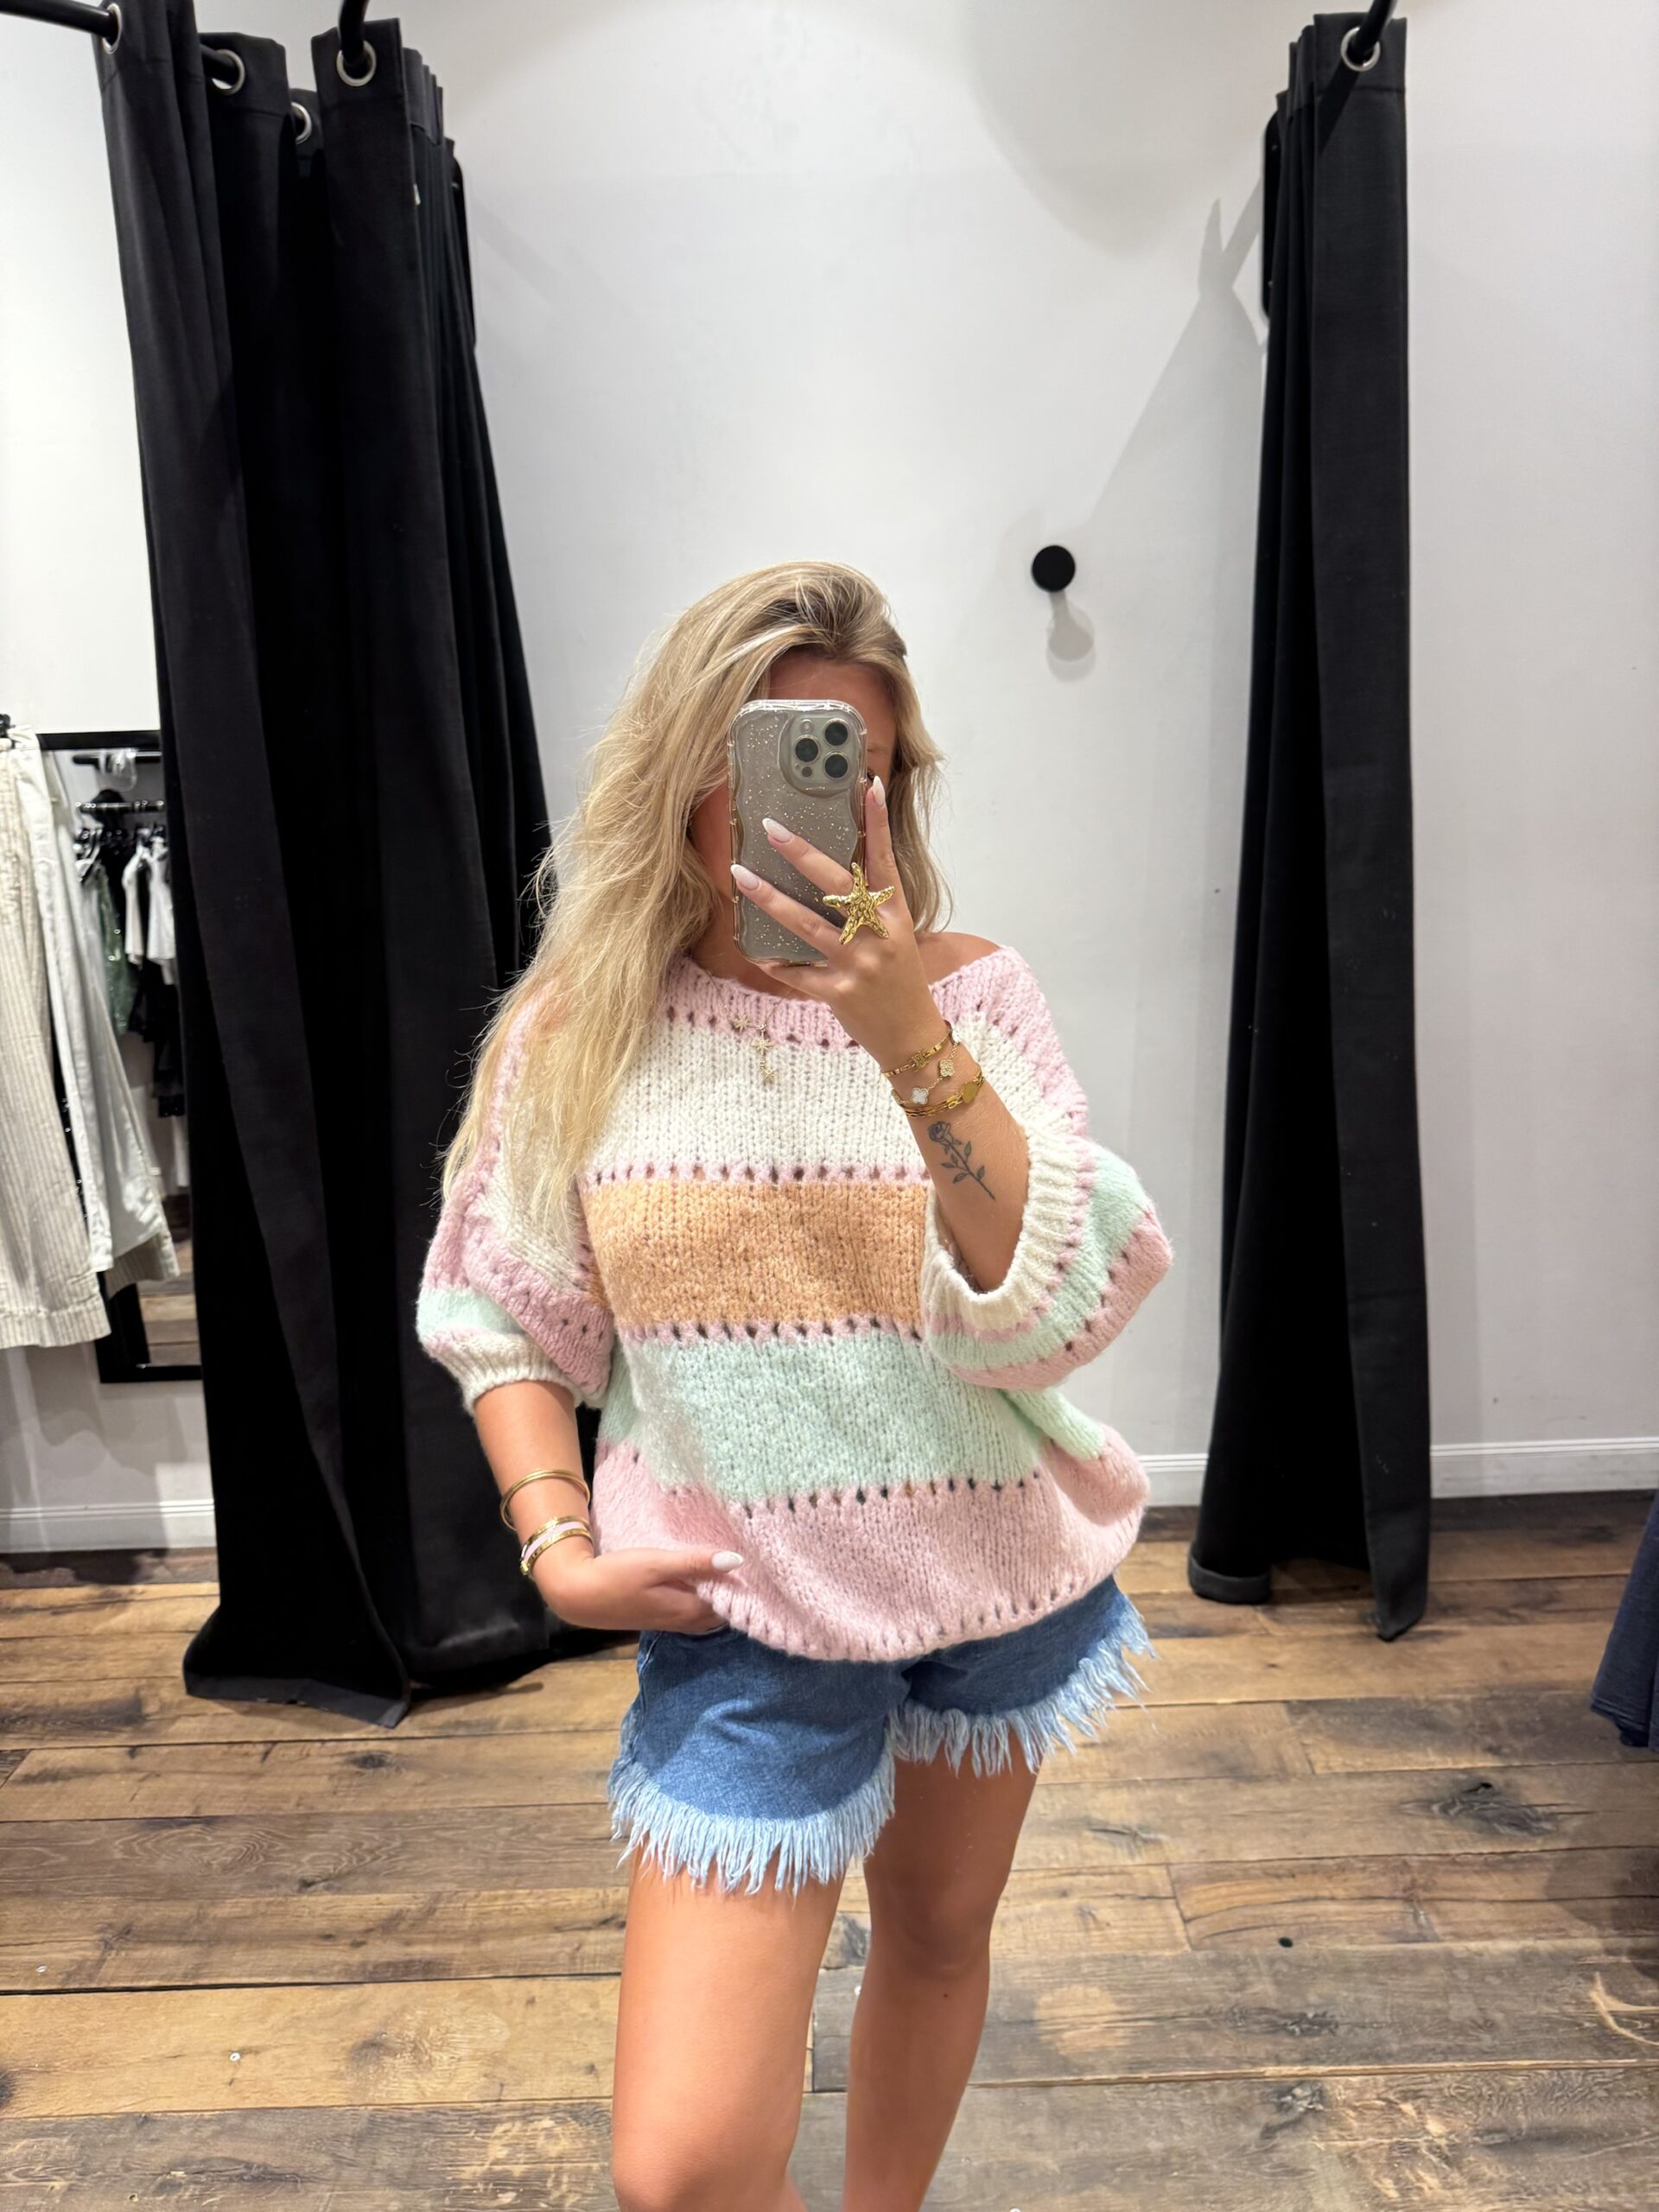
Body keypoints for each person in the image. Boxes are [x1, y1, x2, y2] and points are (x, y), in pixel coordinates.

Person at [416, 560, 1173, 2212]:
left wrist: (906, 1034)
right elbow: (504, 1314)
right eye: (769, 760)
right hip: (743, 1612)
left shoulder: (973, 998)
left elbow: (1045, 1304)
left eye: (859, 768)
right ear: (685, 770)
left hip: (988, 1569)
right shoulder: (581, 1031)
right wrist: (556, 1545)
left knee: (940, 1937)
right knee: (683, 2165)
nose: (815, 805)